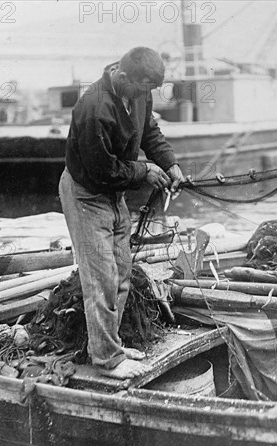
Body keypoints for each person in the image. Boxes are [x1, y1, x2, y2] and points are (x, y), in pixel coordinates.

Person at [59, 47, 184, 379]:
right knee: (99, 278)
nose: (145, 95)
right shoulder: (93, 107)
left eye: (149, 91)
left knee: (121, 272)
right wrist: (144, 172)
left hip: (113, 193)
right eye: (141, 89)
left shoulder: (139, 92)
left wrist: (170, 163)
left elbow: (150, 132)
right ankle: (106, 360)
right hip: (87, 192)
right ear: (123, 76)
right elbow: (101, 169)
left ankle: (108, 344)